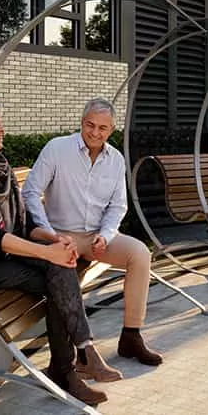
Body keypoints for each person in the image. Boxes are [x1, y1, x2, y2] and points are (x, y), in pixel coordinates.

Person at [0, 99, 121, 406]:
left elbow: (24, 224)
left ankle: (72, 362)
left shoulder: (0, 168)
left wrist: (55, 239)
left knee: (60, 269)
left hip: (5, 258)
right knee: (57, 277)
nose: (2, 128)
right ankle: (74, 362)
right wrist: (47, 253)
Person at [22, 97, 164, 372]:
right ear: (81, 122)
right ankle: (75, 356)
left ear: (111, 130)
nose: (95, 133)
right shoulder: (57, 149)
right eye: (90, 125)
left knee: (140, 254)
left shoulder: (116, 160)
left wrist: (106, 236)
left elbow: (118, 206)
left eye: (102, 128)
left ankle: (131, 336)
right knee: (65, 273)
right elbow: (30, 192)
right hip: (60, 236)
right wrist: (50, 235)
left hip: (95, 238)